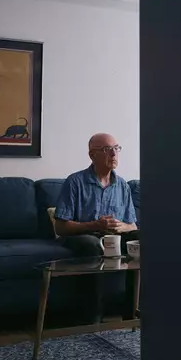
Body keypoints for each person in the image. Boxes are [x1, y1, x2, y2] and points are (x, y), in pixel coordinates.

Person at [54, 133, 140, 322]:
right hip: (82, 235)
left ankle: (131, 313)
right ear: (92, 155)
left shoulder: (123, 185)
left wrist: (121, 226)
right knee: (92, 244)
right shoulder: (75, 182)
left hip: (114, 235)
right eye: (106, 150)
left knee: (140, 238)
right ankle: (92, 316)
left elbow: (132, 224)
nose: (113, 154)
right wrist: (95, 225)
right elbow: (61, 227)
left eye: (116, 148)